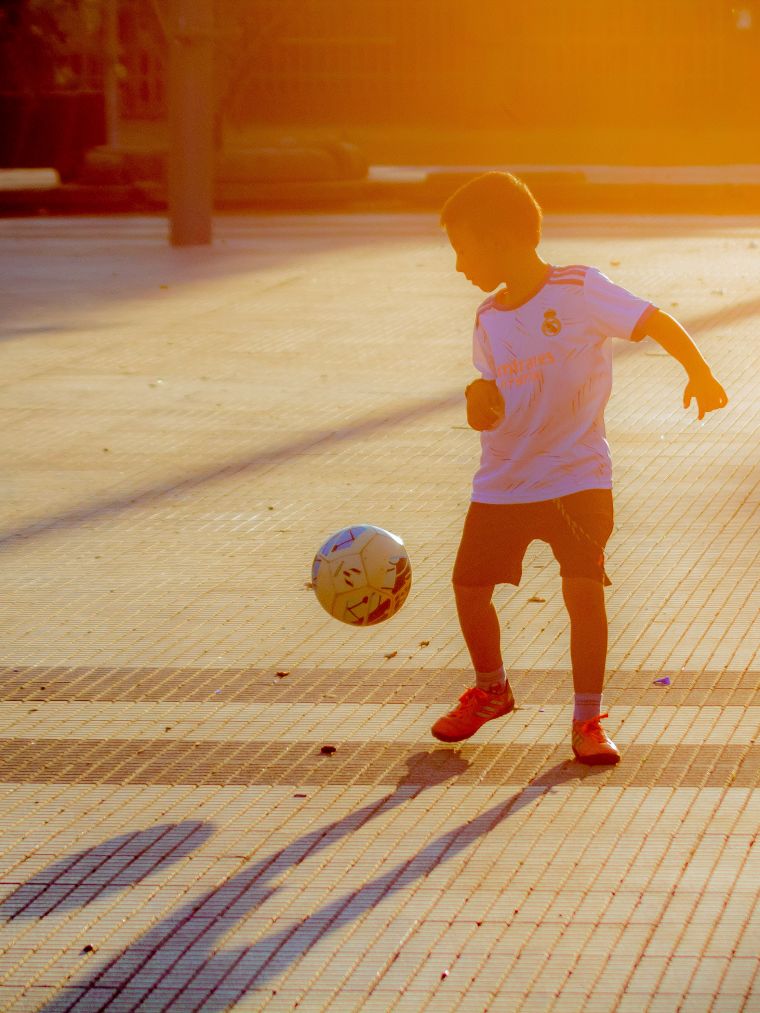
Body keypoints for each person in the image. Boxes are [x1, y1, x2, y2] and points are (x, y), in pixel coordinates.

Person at [431, 171, 728, 764]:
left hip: (578, 475)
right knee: (469, 588)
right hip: (505, 479)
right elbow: (486, 401)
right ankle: (492, 690)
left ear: (499, 238)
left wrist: (699, 371)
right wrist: (477, 403)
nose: (459, 265)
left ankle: (587, 720)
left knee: (583, 589)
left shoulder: (579, 289)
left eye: (464, 248)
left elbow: (653, 320)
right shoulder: (488, 320)